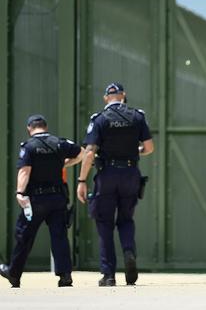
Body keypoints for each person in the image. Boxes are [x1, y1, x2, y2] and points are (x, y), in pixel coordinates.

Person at [76, 83, 154, 286]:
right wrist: (133, 151)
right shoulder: (137, 116)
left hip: (107, 175)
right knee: (126, 220)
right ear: (123, 96)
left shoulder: (99, 119)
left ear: (106, 98)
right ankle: (129, 252)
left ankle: (108, 275)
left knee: (104, 224)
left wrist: (82, 180)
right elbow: (149, 147)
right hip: (130, 174)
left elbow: (90, 152)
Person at [0, 115, 83, 288]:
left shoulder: (29, 147)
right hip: (57, 198)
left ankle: (14, 274)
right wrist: (65, 164)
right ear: (45, 127)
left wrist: (20, 192)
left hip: (35, 199)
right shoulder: (59, 143)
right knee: (59, 236)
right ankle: (65, 275)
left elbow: (25, 171)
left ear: (29, 128)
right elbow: (82, 153)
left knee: (24, 236)